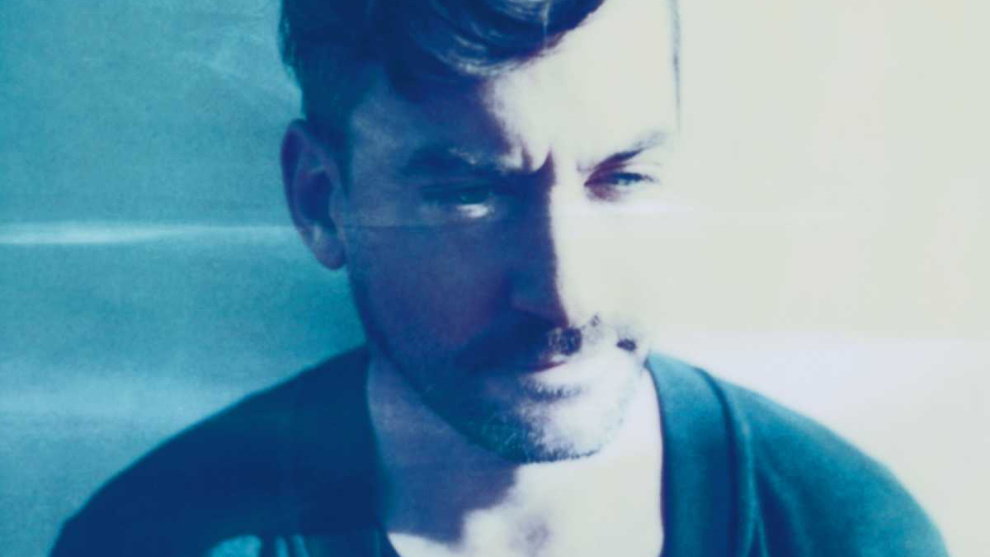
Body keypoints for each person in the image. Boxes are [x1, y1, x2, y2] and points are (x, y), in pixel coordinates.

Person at [51, 0, 949, 555]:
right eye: (469, 194)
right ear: (322, 201)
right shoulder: (149, 538)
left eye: (624, 178)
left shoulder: (846, 535)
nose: (566, 297)